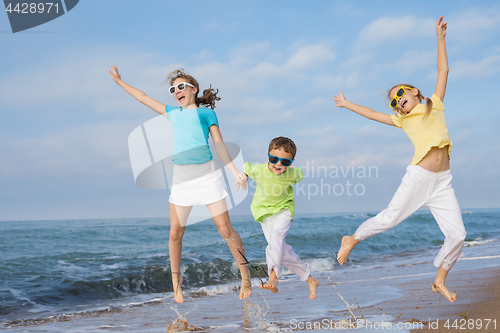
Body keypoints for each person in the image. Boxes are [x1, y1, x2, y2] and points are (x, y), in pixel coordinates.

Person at [333, 16, 466, 303]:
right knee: (391, 218)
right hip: (419, 177)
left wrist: (440, 38)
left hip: (443, 182)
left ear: (415, 91)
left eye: (400, 96)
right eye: (393, 102)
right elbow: (371, 113)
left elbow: (443, 70)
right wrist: (347, 104)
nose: (397, 103)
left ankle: (439, 280)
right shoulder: (402, 121)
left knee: (458, 235)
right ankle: (352, 239)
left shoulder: (435, 105)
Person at [108, 67, 252, 303]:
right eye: (173, 89)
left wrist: (236, 172)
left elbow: (219, 145)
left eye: (181, 87)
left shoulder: (206, 114)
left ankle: (245, 275)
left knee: (225, 230)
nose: (176, 91)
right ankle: (177, 283)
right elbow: (144, 97)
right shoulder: (172, 113)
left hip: (207, 176)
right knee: (175, 233)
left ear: (194, 89)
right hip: (182, 180)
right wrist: (120, 82)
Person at [243, 137, 319, 299]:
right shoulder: (259, 170)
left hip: (284, 210)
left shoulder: (292, 174)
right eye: (273, 159)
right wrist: (244, 176)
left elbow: (300, 174)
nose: (278, 164)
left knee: (276, 237)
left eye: (285, 161)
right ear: (267, 156)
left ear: (291, 162)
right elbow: (246, 167)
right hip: (264, 214)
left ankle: (273, 276)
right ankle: (310, 279)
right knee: (281, 251)